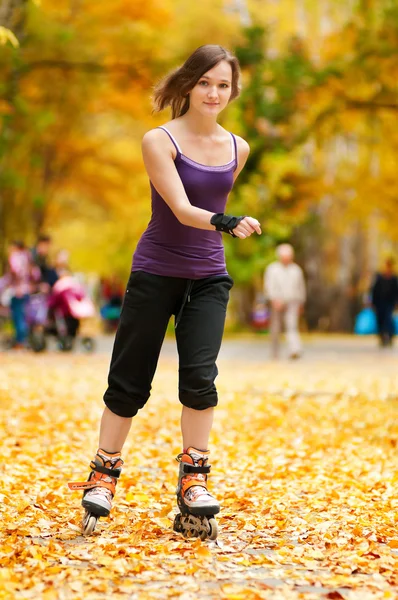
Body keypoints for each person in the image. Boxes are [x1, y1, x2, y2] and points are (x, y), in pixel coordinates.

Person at [69, 44, 261, 539]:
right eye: (205, 82)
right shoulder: (159, 140)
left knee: (200, 379)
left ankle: (194, 482)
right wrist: (226, 221)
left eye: (223, 84)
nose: (214, 92)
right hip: (155, 271)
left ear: (231, 90)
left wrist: (222, 226)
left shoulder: (238, 148)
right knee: (130, 377)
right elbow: (179, 207)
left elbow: (213, 201)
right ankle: (104, 474)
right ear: (188, 84)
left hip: (209, 275)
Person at [264, 243, 306, 359]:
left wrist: (301, 302)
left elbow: (301, 287)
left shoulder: (296, 270)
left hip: (293, 301)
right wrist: (273, 299)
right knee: (275, 329)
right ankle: (275, 353)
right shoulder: (272, 269)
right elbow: (269, 286)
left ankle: (294, 350)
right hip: (277, 301)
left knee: (291, 326)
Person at [371, 257, 398, 347]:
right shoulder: (379, 277)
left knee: (388, 320)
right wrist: (373, 302)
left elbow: (396, 292)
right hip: (379, 303)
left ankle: (389, 336)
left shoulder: (394, 279)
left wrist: (395, 302)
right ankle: (382, 336)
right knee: (381, 320)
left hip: (389, 303)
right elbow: (374, 290)